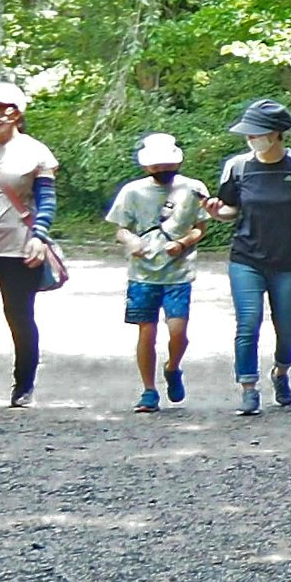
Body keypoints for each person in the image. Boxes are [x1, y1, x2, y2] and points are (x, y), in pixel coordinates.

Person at [209, 98, 291, 416]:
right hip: (246, 257)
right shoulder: (237, 167)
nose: (251, 139)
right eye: (248, 135)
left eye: (256, 133)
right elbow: (231, 209)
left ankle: (281, 372)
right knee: (247, 323)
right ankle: (248, 387)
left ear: (276, 134)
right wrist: (215, 212)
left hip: (289, 259)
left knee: (286, 327)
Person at [106, 133, 208, 412]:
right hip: (142, 273)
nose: (162, 169)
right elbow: (120, 228)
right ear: (146, 166)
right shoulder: (132, 191)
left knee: (178, 330)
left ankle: (172, 367)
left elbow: (201, 226)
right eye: (156, 165)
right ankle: (148, 390)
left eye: (167, 164)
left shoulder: (193, 188)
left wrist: (183, 242)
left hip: (179, 271)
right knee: (146, 333)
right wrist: (131, 242)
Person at [0, 81, 61, 408]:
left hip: (18, 246)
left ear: (15, 114)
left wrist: (39, 236)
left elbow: (46, 200)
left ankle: (23, 385)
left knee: (18, 315)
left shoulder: (35, 151)